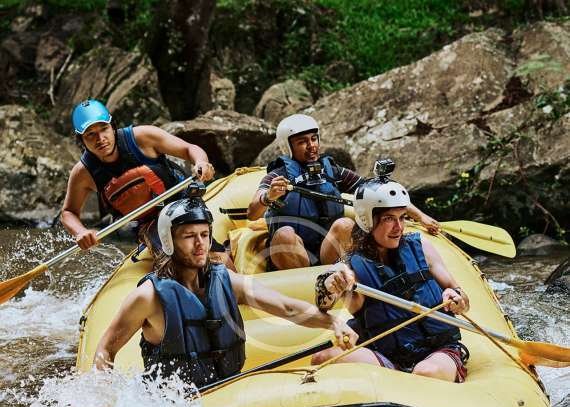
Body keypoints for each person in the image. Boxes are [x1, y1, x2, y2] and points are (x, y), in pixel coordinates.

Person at [94, 198, 358, 388]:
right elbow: (106, 349)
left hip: (226, 394)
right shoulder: (148, 297)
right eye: (189, 236)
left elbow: (286, 307)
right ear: (169, 241)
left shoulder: (226, 280)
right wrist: (104, 399)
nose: (200, 244)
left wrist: (333, 322)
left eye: (204, 235)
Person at [311, 175, 470, 383]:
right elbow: (324, 301)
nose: (399, 227)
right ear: (368, 220)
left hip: (439, 351)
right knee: (322, 358)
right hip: (388, 358)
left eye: (402, 218)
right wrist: (330, 284)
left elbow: (463, 299)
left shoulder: (421, 247)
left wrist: (456, 298)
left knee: (425, 373)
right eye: (389, 219)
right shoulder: (350, 267)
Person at [247, 113, 439, 270]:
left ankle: (344, 278)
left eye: (314, 139)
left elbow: (381, 193)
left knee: (345, 224)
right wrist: (268, 197)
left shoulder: (333, 172)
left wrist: (421, 217)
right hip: (292, 255)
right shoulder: (277, 176)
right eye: (302, 142)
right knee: (285, 234)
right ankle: (304, 285)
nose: (312, 146)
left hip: (327, 251)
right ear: (288, 146)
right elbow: (252, 213)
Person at [61, 99, 217, 255]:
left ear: (113, 127)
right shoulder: (83, 173)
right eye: (91, 134)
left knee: (209, 250)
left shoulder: (143, 137)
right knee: (172, 254)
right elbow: (68, 212)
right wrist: (80, 232)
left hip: (183, 200)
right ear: (81, 139)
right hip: (146, 224)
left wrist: (201, 162)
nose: (100, 138)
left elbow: (189, 149)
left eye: (104, 129)